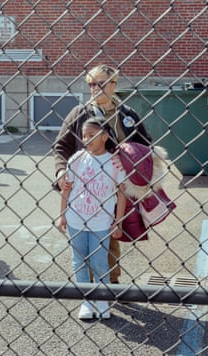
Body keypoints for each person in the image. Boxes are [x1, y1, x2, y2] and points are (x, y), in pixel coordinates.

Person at [54, 64, 152, 284]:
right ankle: (88, 286)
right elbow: (61, 147)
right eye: (90, 84)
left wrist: (130, 159)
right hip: (83, 187)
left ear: (114, 84)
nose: (94, 88)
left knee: (109, 235)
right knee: (82, 240)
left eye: (100, 83)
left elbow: (146, 145)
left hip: (115, 186)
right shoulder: (79, 114)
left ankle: (110, 283)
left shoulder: (127, 115)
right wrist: (61, 171)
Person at [58, 117, 126, 320]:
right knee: (79, 260)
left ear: (104, 136)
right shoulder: (77, 158)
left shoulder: (114, 162)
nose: (86, 139)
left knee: (99, 262)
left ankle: (103, 300)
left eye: (91, 135)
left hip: (101, 222)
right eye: (84, 135)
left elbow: (122, 194)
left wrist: (118, 221)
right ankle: (86, 300)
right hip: (76, 218)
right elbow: (66, 189)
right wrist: (62, 215)